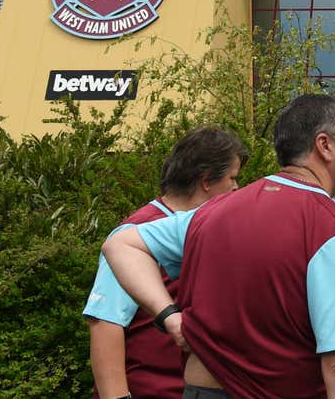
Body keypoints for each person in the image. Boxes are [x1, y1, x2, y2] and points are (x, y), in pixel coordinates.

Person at [101, 92, 335, 398]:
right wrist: (170, 317)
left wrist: (169, 316)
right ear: (325, 146)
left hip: (200, 390)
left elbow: (121, 244)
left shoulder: (212, 212)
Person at [84, 127, 248, 399]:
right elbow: (105, 324)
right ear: (206, 180)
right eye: (232, 178)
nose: (236, 188)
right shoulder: (135, 236)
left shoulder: (202, 231)